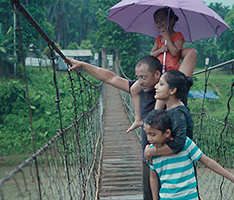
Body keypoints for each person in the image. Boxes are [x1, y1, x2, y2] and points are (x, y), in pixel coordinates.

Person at [65, 55, 180, 200]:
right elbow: (110, 78)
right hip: (149, 160)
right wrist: (83, 65)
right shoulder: (140, 88)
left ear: (157, 74)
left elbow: (188, 63)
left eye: (143, 77)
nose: (140, 81)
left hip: (171, 159)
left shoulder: (170, 93)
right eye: (138, 78)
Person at [144, 109, 234, 200]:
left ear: (167, 133)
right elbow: (153, 177)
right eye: (147, 134)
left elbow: (207, 161)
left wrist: (232, 178)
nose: (149, 139)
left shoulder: (185, 144)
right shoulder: (151, 153)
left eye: (153, 135)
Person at [126, 7, 197, 133]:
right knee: (133, 89)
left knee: (159, 101)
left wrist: (167, 38)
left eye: (162, 19)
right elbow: (152, 54)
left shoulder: (177, 36)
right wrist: (160, 49)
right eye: (157, 21)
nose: (159, 23)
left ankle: (154, 122)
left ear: (172, 20)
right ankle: (138, 119)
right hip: (157, 72)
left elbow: (175, 52)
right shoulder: (158, 39)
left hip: (169, 73)